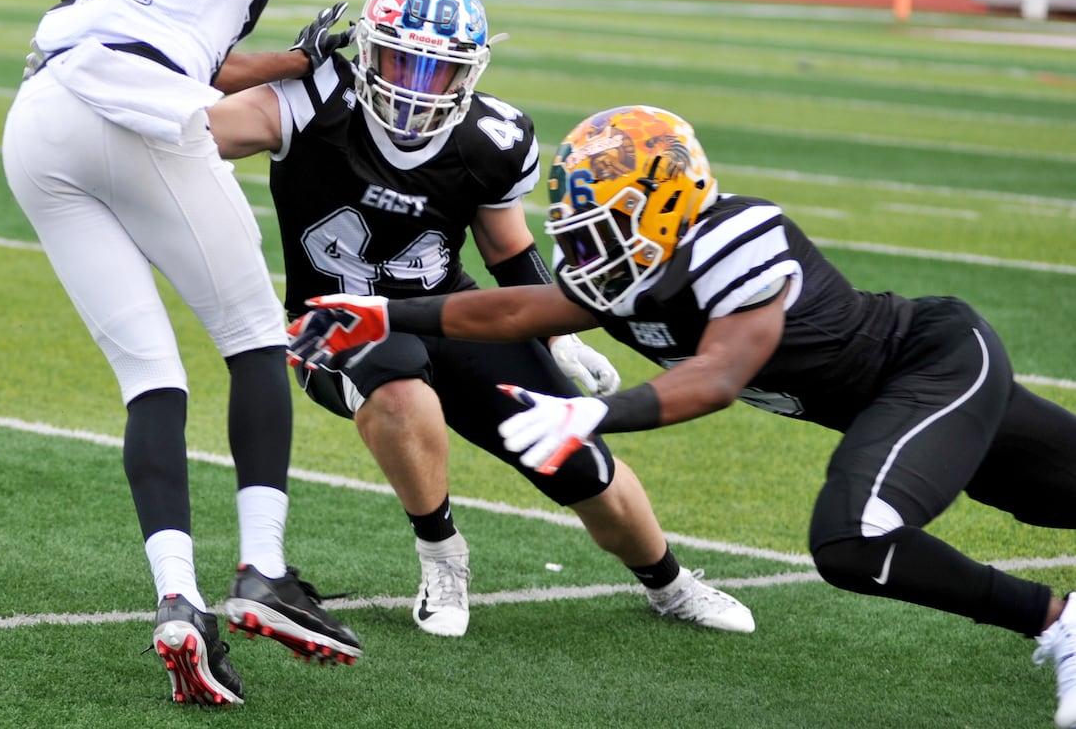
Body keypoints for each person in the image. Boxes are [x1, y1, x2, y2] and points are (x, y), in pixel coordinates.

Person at [290, 103, 1076, 729]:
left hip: (933, 364)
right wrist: (387, 318)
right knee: (1054, 493)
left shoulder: (739, 236)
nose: (592, 251)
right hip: (886, 403)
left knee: (852, 539)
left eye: (608, 227)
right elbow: (512, 310)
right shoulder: (630, 268)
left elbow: (719, 376)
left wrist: (595, 414)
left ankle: (1057, 622)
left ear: (668, 204)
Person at [0, 0, 491, 707]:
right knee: (259, 340)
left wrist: (298, 59)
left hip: (39, 120)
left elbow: (190, 43)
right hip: (137, 110)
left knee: (151, 377)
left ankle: (178, 603)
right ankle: (261, 571)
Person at [207, 0, 755, 640]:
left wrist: (560, 338)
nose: (413, 86)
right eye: (401, 62)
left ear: (469, 71)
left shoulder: (492, 137)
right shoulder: (312, 99)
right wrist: (244, 66)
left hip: (448, 311)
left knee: (575, 453)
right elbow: (181, 132)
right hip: (337, 324)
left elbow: (506, 251)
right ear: (367, 52)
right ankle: (442, 555)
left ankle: (670, 584)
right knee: (400, 383)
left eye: (434, 70)